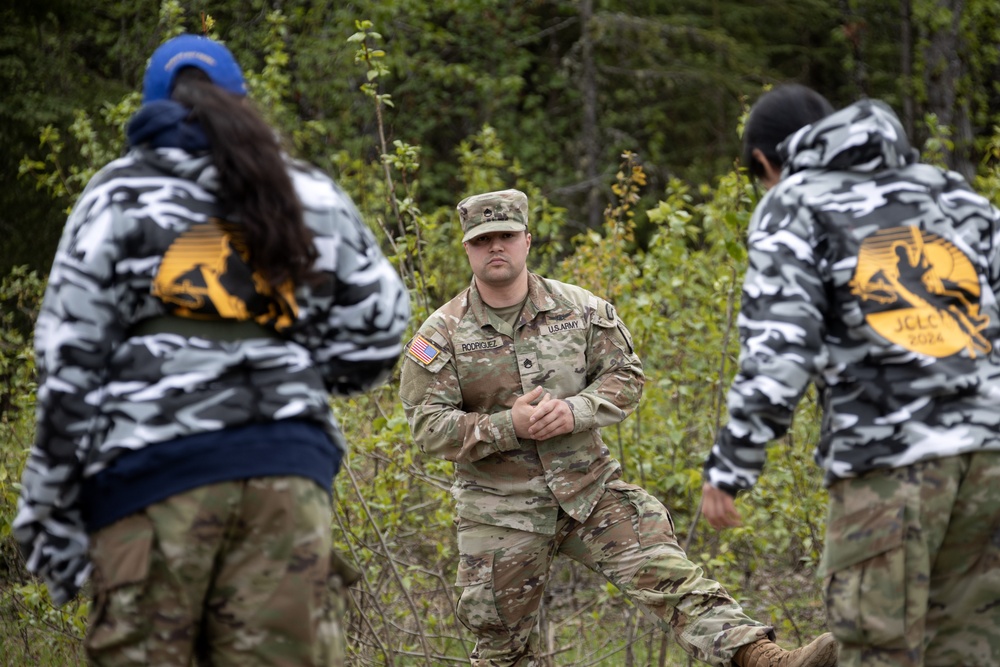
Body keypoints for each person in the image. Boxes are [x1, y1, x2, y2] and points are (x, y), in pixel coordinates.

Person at [14, 34, 410, 666]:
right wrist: (304, 369)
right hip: (287, 475)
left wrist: (46, 502)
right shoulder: (307, 191)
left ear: (148, 106)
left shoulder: (116, 194)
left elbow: (68, 364)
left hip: (150, 481)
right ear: (242, 101)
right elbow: (382, 325)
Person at [399, 188, 838, 667]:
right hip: (500, 509)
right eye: (483, 240)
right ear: (468, 248)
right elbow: (427, 424)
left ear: (527, 240)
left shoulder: (581, 310)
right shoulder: (439, 334)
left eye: (506, 236)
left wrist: (576, 411)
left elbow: (626, 377)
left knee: (671, 576)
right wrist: (509, 424)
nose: (495, 247)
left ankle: (767, 660)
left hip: (590, 490)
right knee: (500, 644)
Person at [702, 84, 1000, 666]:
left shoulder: (794, 201)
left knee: (877, 648)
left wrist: (732, 464)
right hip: (990, 462)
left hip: (887, 467)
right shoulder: (955, 195)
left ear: (765, 161)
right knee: (972, 652)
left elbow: (781, 349)